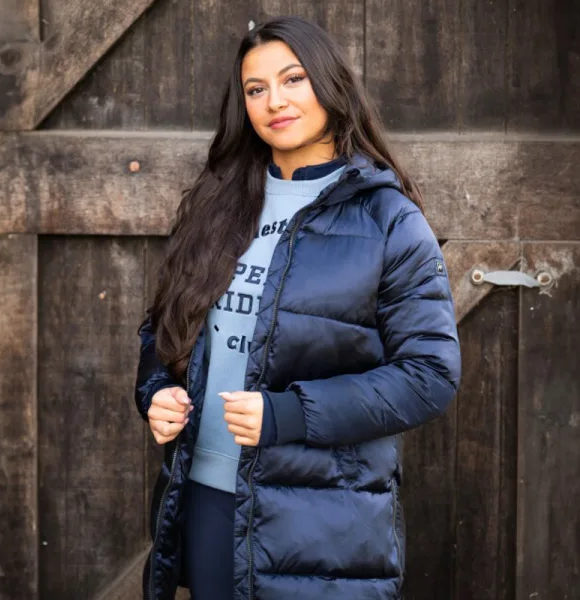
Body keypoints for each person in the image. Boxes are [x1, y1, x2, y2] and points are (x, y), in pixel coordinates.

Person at [135, 15, 461, 600]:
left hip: (323, 521)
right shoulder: (217, 206)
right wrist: (156, 389)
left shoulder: (389, 220)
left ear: (331, 84)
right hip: (207, 497)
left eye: (293, 79)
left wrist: (288, 414)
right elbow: (163, 330)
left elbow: (430, 376)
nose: (274, 102)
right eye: (255, 89)